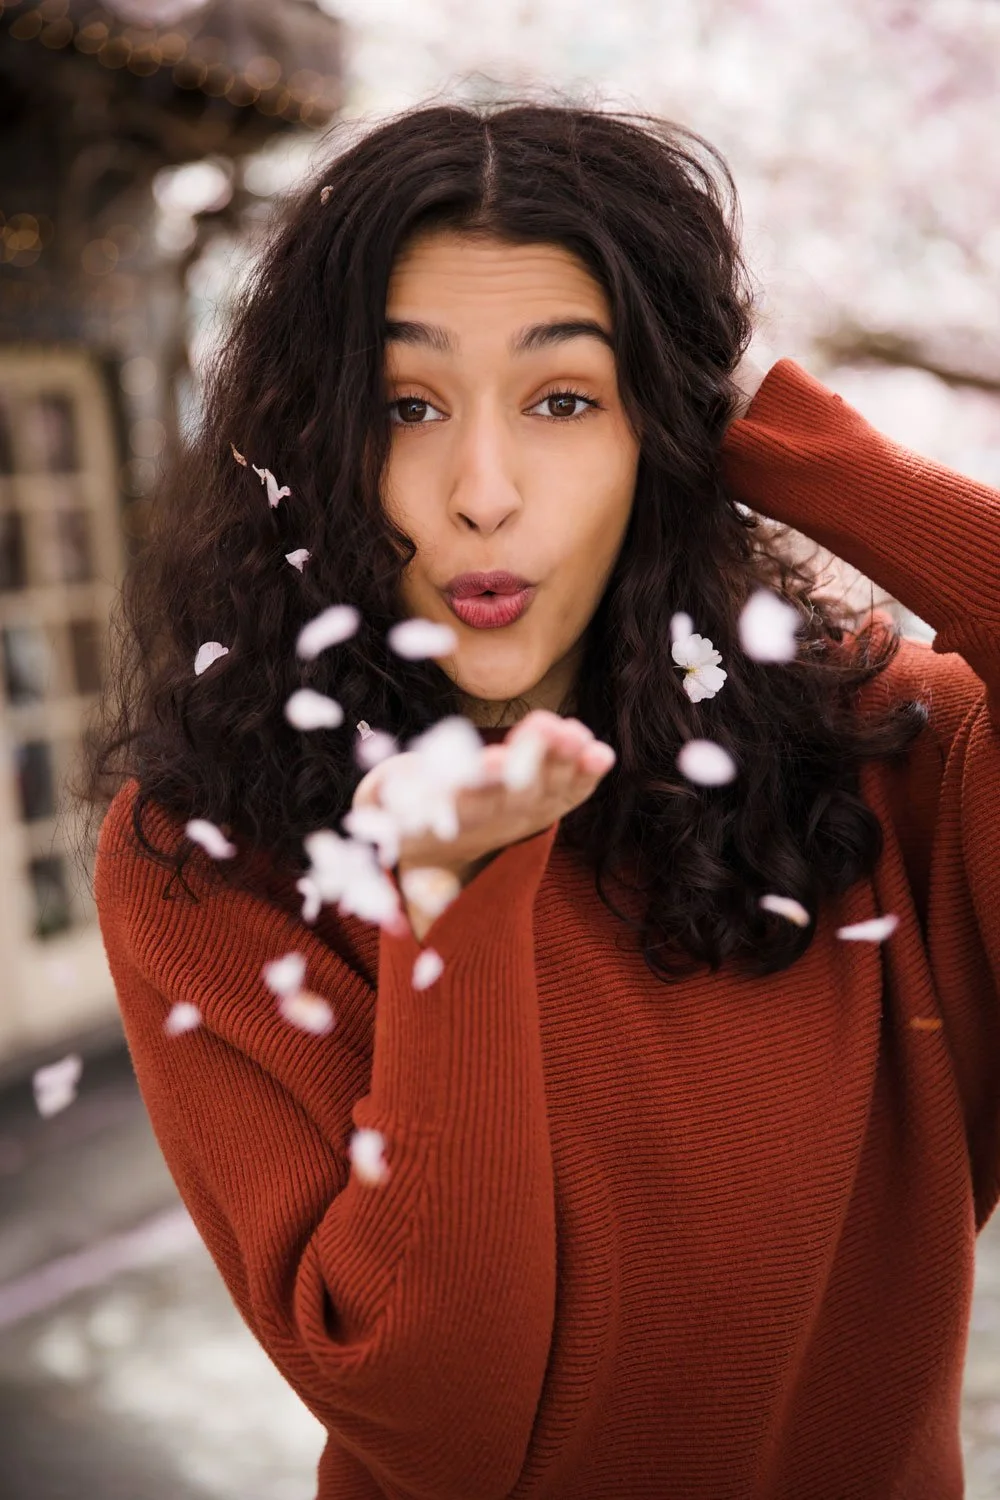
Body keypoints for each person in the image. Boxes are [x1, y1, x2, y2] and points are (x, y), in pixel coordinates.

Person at [85, 102, 1000, 1499]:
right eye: (407, 406)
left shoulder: (878, 744)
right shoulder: (210, 850)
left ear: (662, 433)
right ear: (313, 441)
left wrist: (800, 450)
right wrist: (451, 918)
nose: (485, 492)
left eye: (566, 399)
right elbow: (435, 1423)